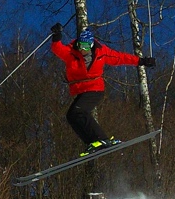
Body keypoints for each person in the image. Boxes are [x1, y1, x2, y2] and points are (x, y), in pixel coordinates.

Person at [50, 23, 156, 155]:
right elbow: (57, 49)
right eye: (81, 45)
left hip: (95, 89)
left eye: (87, 46)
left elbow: (120, 58)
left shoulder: (101, 52)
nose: (83, 49)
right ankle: (92, 142)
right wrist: (56, 36)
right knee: (71, 116)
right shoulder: (71, 52)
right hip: (82, 90)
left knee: (79, 111)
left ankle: (102, 139)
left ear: (91, 45)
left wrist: (142, 61)